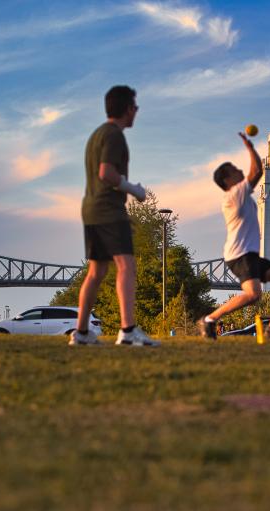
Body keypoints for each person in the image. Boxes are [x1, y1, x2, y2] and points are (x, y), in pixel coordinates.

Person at [68, 85, 160, 347]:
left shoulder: (96, 134)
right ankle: (128, 331)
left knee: (96, 271)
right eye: (135, 107)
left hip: (90, 209)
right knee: (126, 266)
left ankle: (82, 333)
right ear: (128, 108)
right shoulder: (114, 135)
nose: (137, 112)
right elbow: (106, 173)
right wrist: (134, 190)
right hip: (109, 209)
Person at [198, 133, 270, 339]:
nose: (240, 170)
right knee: (254, 294)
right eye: (235, 170)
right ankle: (210, 320)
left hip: (249, 255)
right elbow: (258, 170)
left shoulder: (242, 196)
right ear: (227, 180)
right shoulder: (234, 194)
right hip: (240, 255)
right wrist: (249, 146)